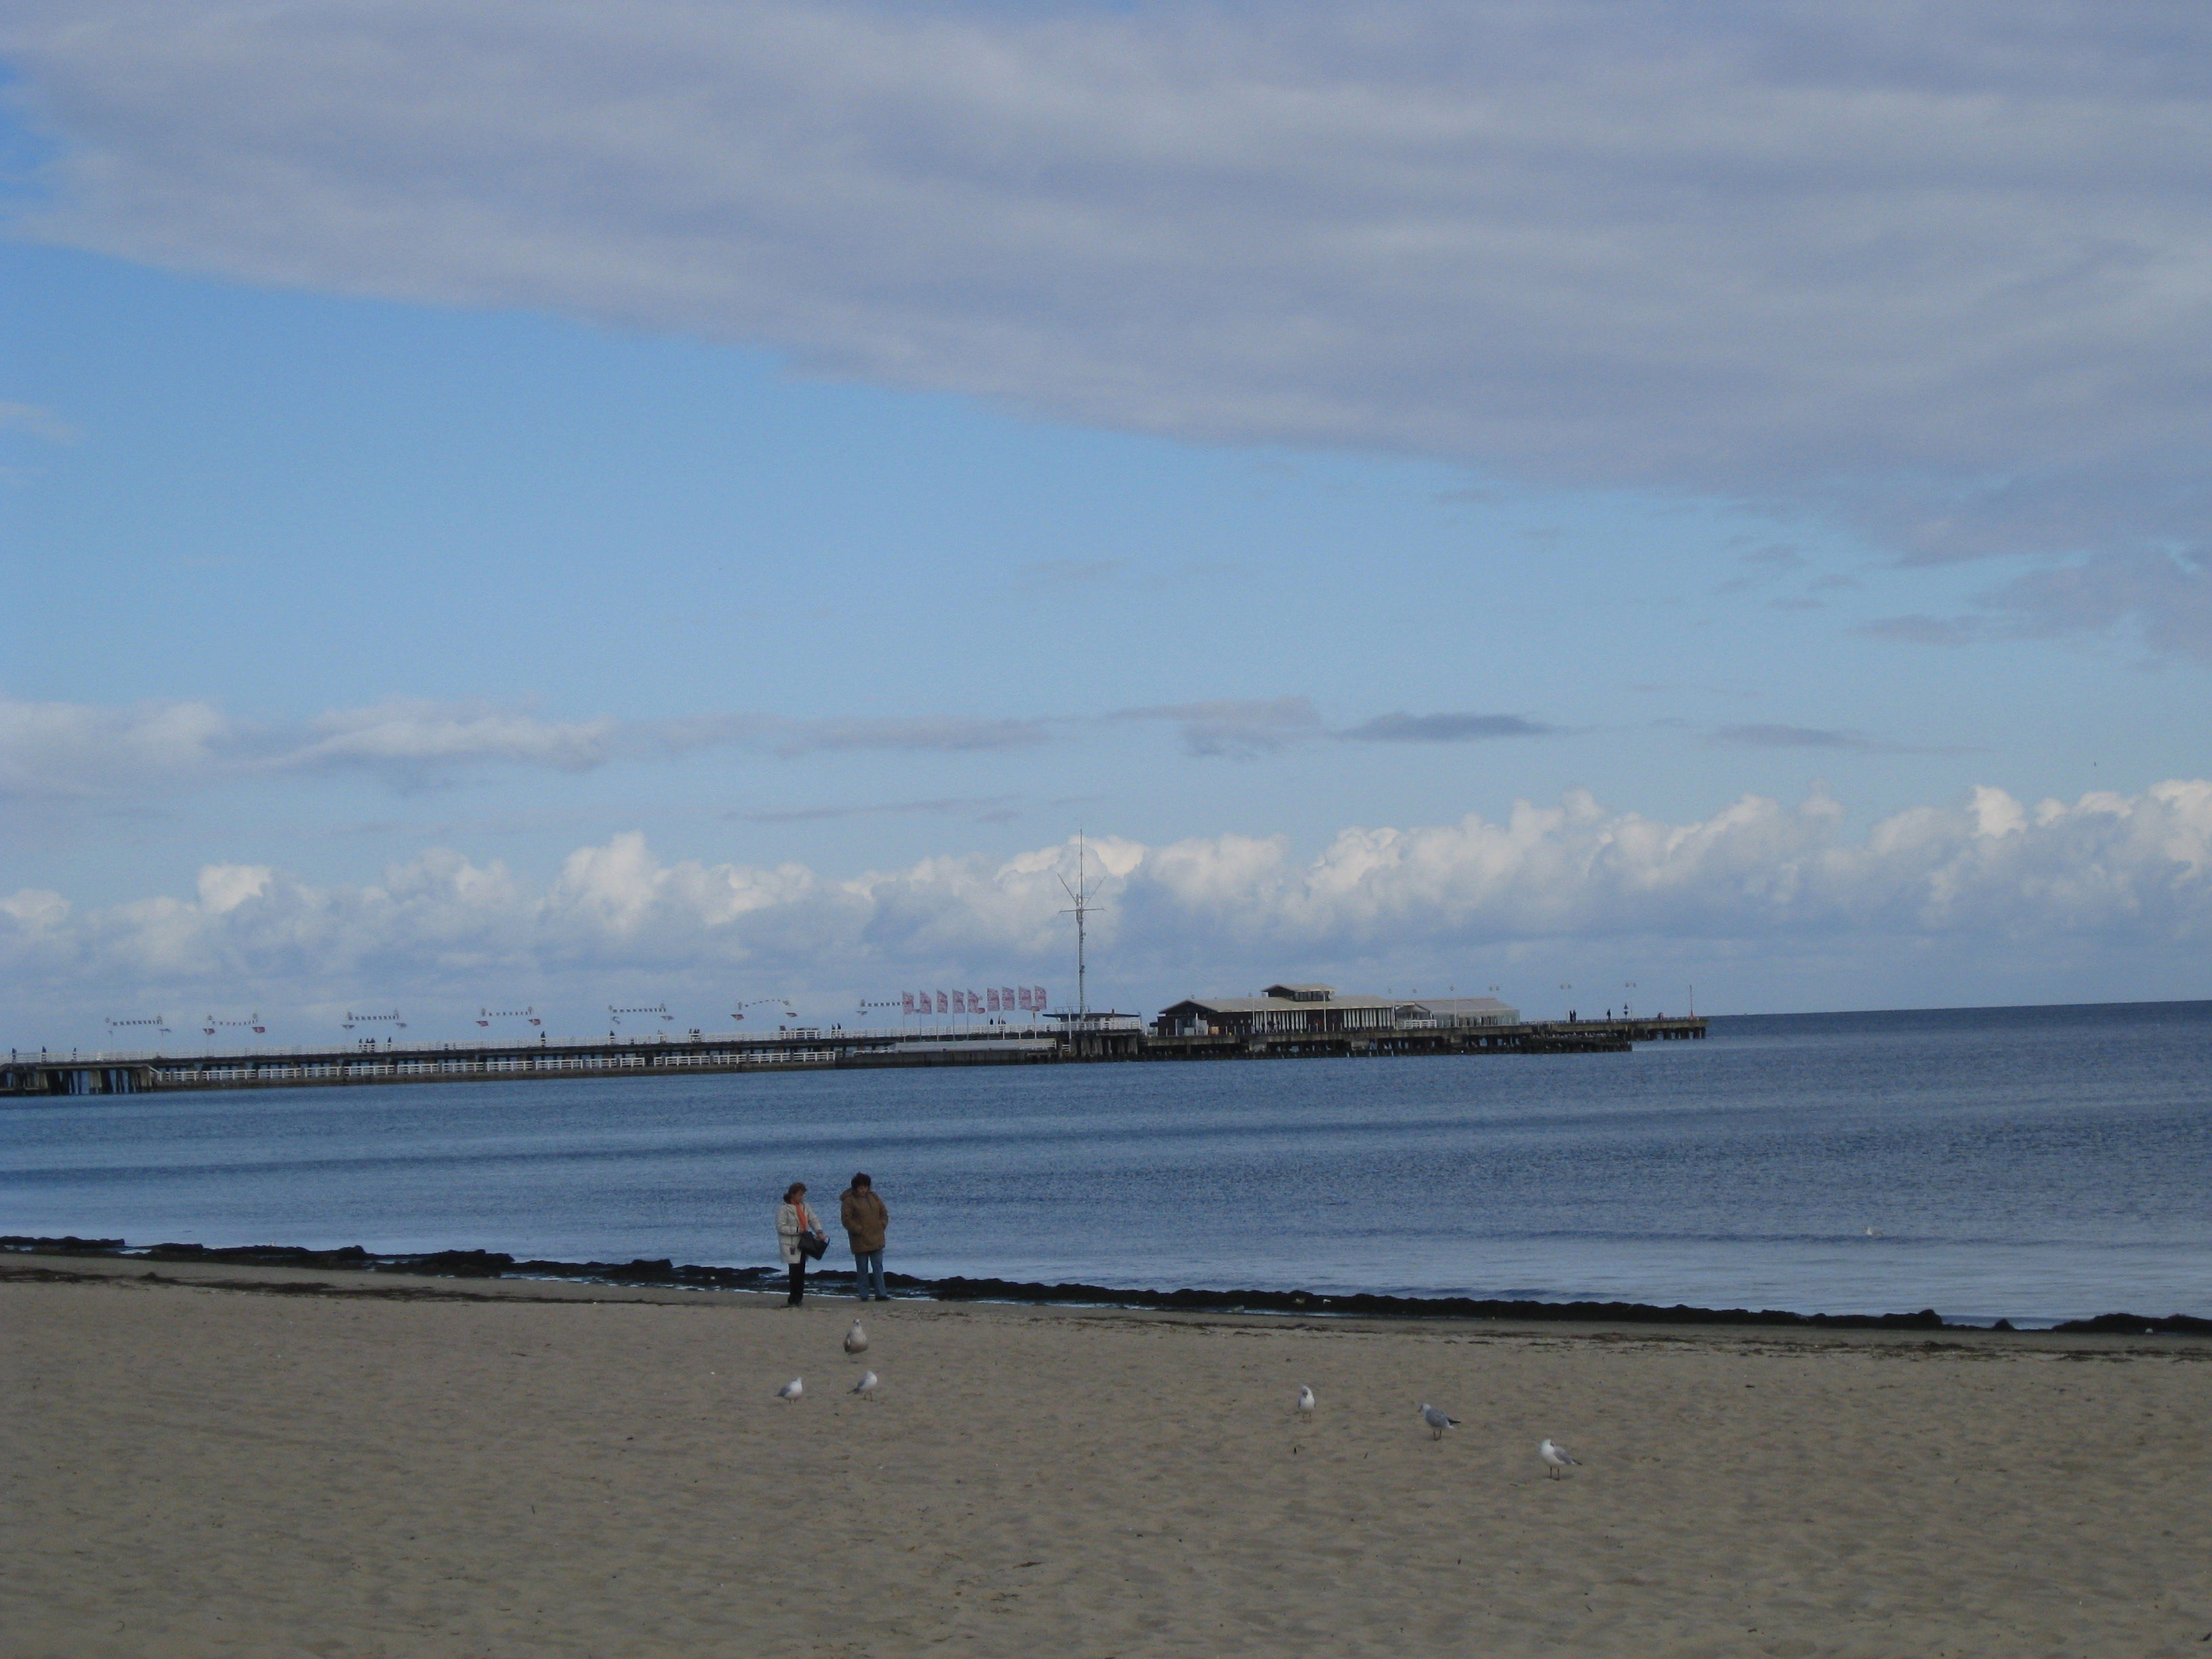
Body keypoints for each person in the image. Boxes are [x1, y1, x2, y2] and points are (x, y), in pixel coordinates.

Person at [775, 1182, 827, 1307]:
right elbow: (781, 1227)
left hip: (804, 1243)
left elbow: (813, 1219)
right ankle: (793, 1299)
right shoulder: (784, 1209)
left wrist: (819, 1231)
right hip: (791, 1244)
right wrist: (797, 1231)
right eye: (799, 1195)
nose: (801, 1198)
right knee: (794, 1272)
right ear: (792, 1195)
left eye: (802, 1195)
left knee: (801, 1271)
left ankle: (799, 1298)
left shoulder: (805, 1207)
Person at [840, 1172, 890, 1301]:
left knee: (878, 1267)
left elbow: (884, 1212)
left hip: (877, 1236)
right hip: (860, 1239)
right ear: (856, 1188)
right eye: (861, 1188)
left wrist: (882, 1224)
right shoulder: (849, 1200)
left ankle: (881, 1293)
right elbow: (847, 1220)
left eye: (865, 1187)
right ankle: (864, 1294)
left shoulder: (874, 1197)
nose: (863, 1190)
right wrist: (859, 1230)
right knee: (862, 1268)